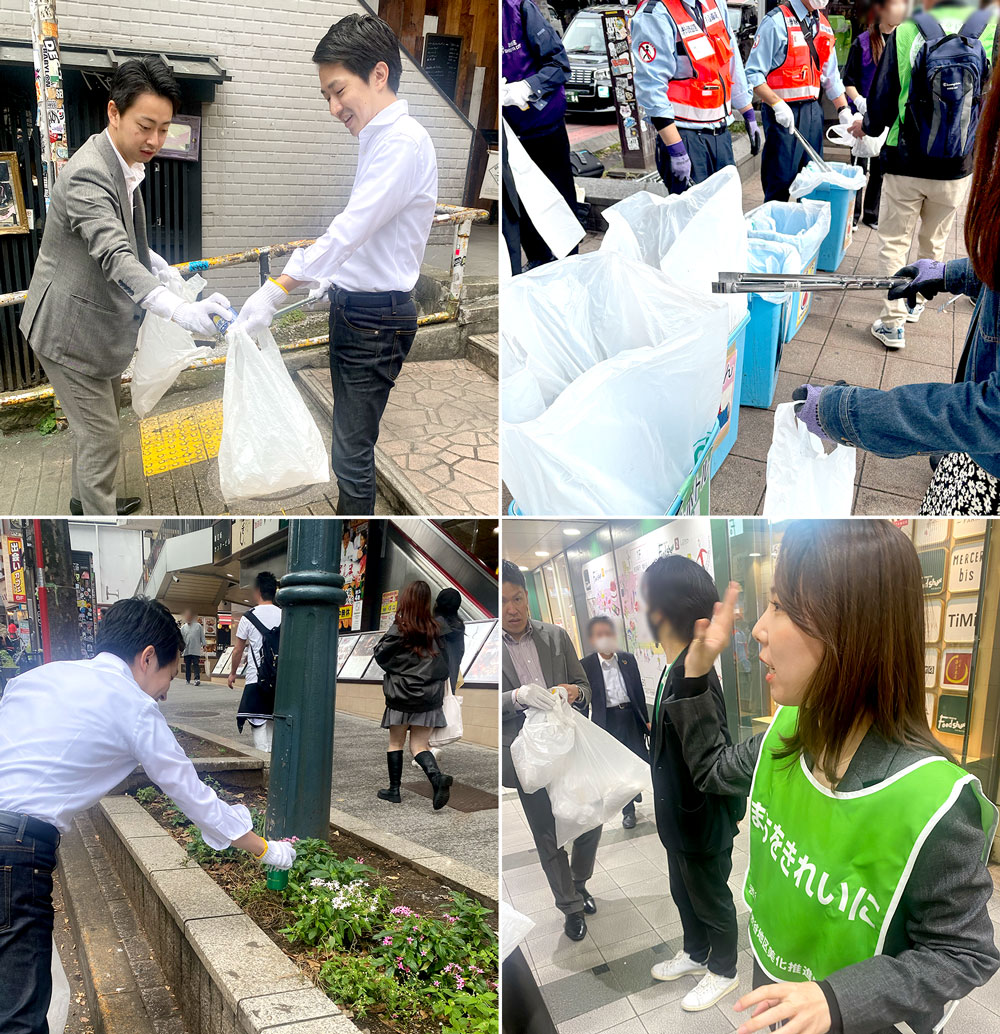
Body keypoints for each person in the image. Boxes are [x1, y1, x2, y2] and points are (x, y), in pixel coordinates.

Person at [663, 521, 998, 1033]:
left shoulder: (932, 799)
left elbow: (963, 951)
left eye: (780, 606)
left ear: (849, 628)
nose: (758, 629)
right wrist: (693, 673)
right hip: (772, 985)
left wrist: (838, 1000)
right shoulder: (789, 732)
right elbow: (711, 771)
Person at [0, 597, 296, 1033]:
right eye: (170, 675)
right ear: (146, 657)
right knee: (18, 1019)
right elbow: (191, 795)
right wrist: (265, 849)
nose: (166, 690)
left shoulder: (37, 678)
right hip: (16, 851)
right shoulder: (134, 706)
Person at [234, 15, 437, 516]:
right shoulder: (381, 138)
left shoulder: (402, 143)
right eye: (325, 95)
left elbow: (352, 226)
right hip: (361, 312)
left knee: (351, 456)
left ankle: (354, 543)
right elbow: (372, 234)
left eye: (338, 90)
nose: (333, 107)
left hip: (374, 320)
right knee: (349, 448)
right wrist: (329, 279)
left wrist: (279, 286)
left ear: (380, 74)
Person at [18, 57, 232, 516]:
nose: (155, 141)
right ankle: (99, 515)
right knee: (100, 435)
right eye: (145, 126)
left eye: (164, 128)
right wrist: (179, 309)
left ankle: (87, 499)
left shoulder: (125, 160)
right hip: (68, 331)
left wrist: (157, 264)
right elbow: (114, 253)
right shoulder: (88, 173)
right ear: (113, 113)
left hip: (98, 327)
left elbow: (127, 241)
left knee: (96, 428)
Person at [791, 60, 1000, 515]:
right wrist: (952, 274)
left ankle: (893, 324)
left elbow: (992, 414)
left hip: (990, 466)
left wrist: (850, 414)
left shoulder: (912, 36)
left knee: (893, 242)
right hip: (948, 175)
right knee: (925, 243)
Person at [850, 0, 996, 349]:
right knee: (935, 240)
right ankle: (918, 302)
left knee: (894, 243)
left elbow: (883, 103)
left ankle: (892, 322)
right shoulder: (990, 27)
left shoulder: (906, 31)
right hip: (957, 165)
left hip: (906, 161)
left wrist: (865, 126)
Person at [639, 556, 744, 1013]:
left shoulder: (693, 671)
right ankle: (696, 952)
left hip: (701, 820)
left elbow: (711, 751)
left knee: (711, 898)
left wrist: (694, 671)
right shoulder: (672, 666)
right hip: (677, 817)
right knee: (683, 893)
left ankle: (723, 969)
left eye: (647, 603)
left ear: (663, 612)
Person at [500, 561, 597, 941]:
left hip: (567, 746)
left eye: (518, 599)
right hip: (526, 757)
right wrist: (515, 696)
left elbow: (584, 686)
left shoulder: (555, 637)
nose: (512, 609)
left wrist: (573, 692)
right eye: (504, 601)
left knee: (590, 819)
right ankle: (570, 907)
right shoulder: (492, 646)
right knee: (547, 834)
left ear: (528, 597)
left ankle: (579, 881)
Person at [631, 0, 762, 195]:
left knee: (724, 209)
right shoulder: (655, 13)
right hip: (685, 135)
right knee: (693, 217)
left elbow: (730, 58)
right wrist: (676, 149)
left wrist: (748, 112)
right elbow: (652, 87)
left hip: (720, 132)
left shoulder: (714, 4)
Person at [745, 0, 851, 202]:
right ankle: (774, 229)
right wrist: (776, 103)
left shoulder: (823, 25)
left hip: (812, 111)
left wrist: (843, 110)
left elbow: (831, 77)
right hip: (783, 115)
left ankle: (806, 230)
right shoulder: (776, 22)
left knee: (813, 181)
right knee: (780, 183)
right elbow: (753, 74)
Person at [501, 0, 578, 269]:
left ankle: (570, 266)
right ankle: (537, 262)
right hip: (509, 138)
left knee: (559, 203)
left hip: (544, 128)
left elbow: (559, 65)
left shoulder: (518, 9)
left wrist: (526, 86)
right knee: (521, 208)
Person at [373, 580, 453, 809]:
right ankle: (437, 779)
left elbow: (380, 655)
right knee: (419, 745)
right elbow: (445, 665)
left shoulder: (400, 628)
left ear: (405, 600)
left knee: (396, 742)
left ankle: (394, 790)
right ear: (428, 602)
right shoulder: (437, 630)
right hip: (428, 697)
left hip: (400, 694)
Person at [841, 0, 906, 230]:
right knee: (859, 165)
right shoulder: (863, 43)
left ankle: (871, 214)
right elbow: (847, 81)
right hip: (864, 114)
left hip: (890, 118)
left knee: (880, 169)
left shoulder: (905, 42)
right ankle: (854, 214)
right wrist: (859, 101)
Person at [580, 616, 649, 830]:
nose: (605, 638)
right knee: (619, 767)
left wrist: (646, 721)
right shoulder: (587, 665)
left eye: (608, 634)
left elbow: (637, 690)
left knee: (637, 759)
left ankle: (634, 790)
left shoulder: (627, 659)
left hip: (630, 717)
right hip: (607, 721)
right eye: (600, 635)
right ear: (593, 639)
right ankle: (628, 811)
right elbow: (583, 698)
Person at [228, 571, 281, 753]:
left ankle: (264, 763)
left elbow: (238, 650)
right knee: (275, 721)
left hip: (256, 679)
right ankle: (274, 765)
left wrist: (233, 673)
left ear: (257, 590)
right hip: (280, 679)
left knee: (258, 722)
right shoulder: (285, 616)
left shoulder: (248, 617)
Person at [434, 587, 466, 694]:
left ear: (437, 604)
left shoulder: (432, 627)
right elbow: (460, 654)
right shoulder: (459, 629)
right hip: (450, 686)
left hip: (431, 690)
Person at [180, 608, 206, 686]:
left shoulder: (198, 626)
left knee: (196, 664)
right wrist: (180, 648)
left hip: (195, 649)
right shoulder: (183, 628)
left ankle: (197, 678)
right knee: (187, 665)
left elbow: (202, 636)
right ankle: (188, 679)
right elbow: (181, 639)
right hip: (186, 650)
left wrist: (204, 645)